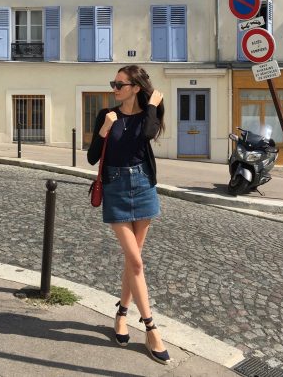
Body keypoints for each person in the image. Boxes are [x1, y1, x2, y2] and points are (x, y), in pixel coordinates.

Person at [87, 64, 170, 365]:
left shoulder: (150, 114)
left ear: (135, 87)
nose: (114, 88)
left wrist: (151, 106)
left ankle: (122, 314)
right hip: (116, 187)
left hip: (143, 185)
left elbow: (148, 133)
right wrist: (104, 130)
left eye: (120, 84)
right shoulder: (107, 115)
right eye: (114, 83)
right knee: (135, 260)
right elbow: (92, 156)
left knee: (132, 260)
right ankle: (151, 327)